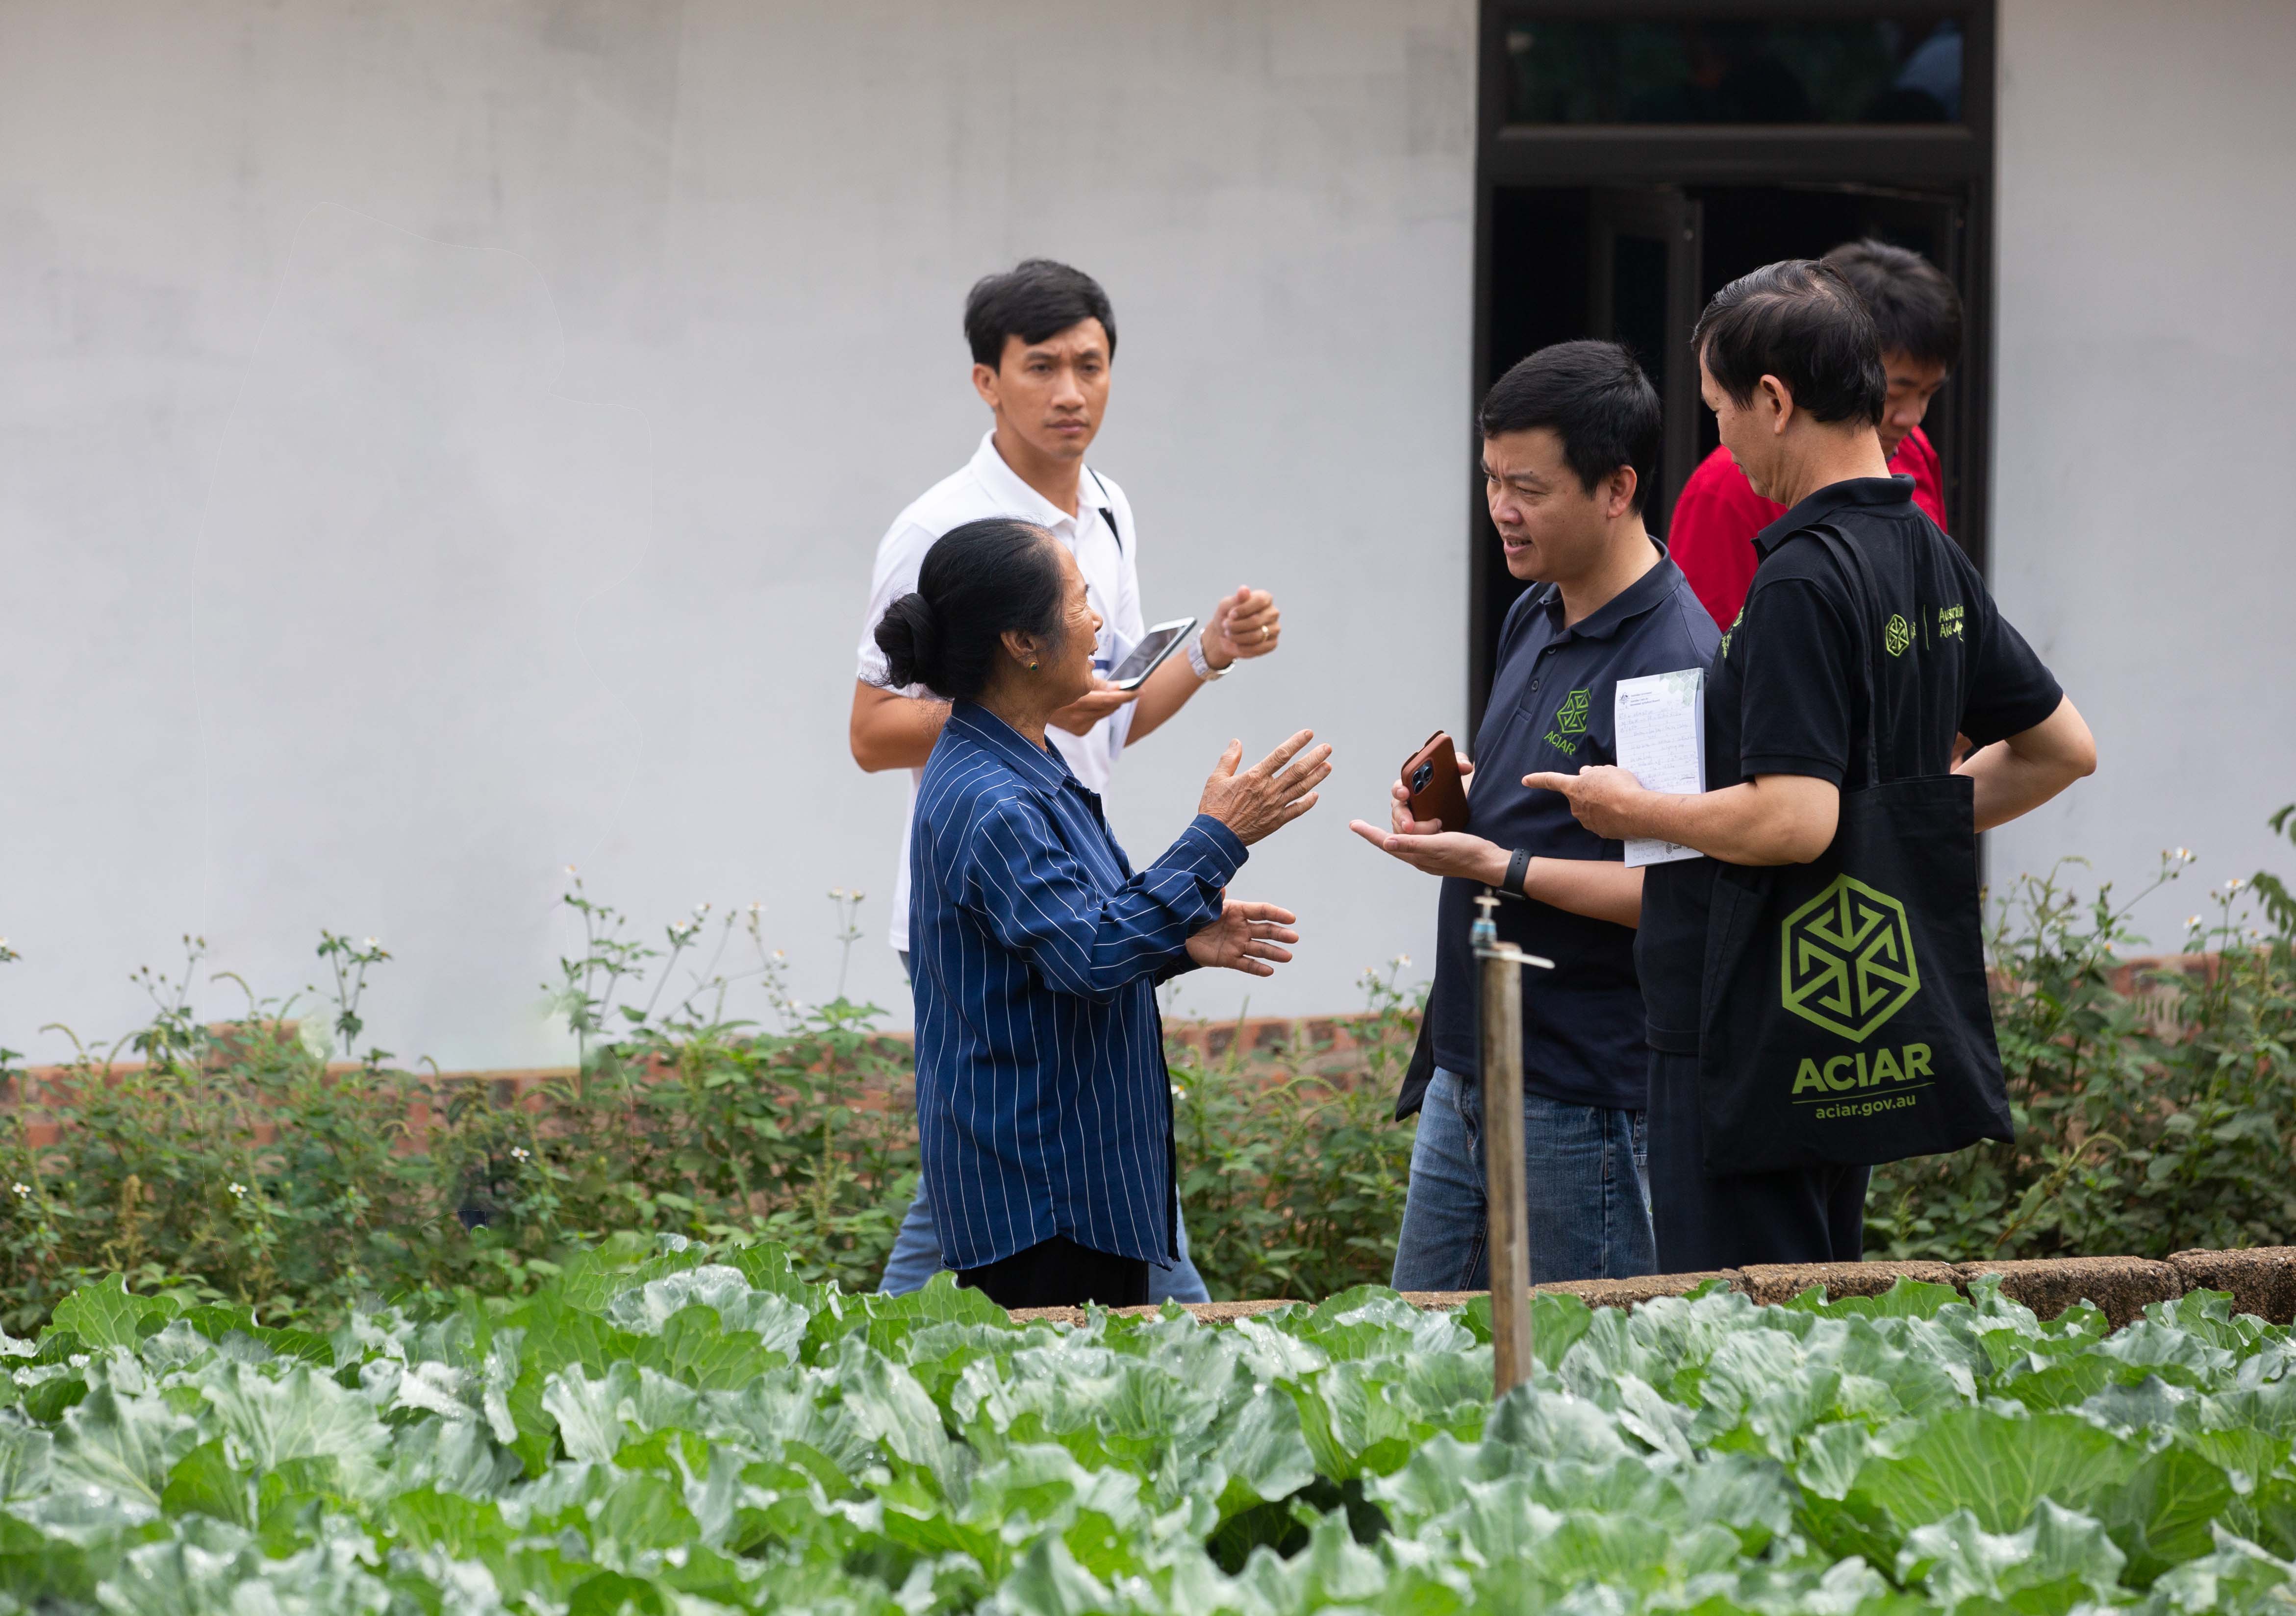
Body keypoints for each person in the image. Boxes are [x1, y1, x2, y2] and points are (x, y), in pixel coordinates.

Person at [1528, 259, 2096, 1271]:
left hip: (1746, 1017)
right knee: (1815, 1315)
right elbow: (2062, 748)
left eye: (1718, 409)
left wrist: (1637, 805)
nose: (1721, 439)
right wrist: (1906, 810)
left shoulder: (1796, 576)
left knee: (1742, 1340)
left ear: (1775, 400)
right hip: (1849, 1019)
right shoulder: (1925, 551)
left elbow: (1796, 819)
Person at [852, 260, 1286, 1302]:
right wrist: (1023, 711)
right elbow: (871, 732)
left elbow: (1117, 701)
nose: (1070, 392)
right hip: (1000, 884)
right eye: (1040, 367)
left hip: (1074, 861)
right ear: (984, 383)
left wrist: (1210, 651)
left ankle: (888, 1343)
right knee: (1031, 1148)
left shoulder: (1108, 508)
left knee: (1024, 1152)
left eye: (1090, 365)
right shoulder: (940, 529)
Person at [875, 517, 1329, 1308]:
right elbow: (1086, 955)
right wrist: (1219, 836)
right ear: (1022, 640)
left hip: (1066, 1178)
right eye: (1082, 600)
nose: (1099, 625)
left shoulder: (1022, 758)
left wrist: (1185, 936)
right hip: (1044, 1195)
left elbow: (1079, 930)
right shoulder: (993, 797)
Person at [1349, 342, 1718, 1288]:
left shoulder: (1668, 657)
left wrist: (1496, 867)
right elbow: (1530, 815)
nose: (1501, 510)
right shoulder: (1537, 607)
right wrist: (1454, 812)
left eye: (1529, 487)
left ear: (1615, 488)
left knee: (1577, 1379)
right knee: (1413, 1362)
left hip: (1581, 1088)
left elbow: (1673, 893)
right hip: (1469, 1062)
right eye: (1490, 480)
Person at [1667, 238, 1961, 632]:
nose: (1912, 417)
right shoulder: (1726, 486)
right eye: (1893, 392)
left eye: (1928, 394)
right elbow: (1709, 653)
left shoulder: (1915, 452)